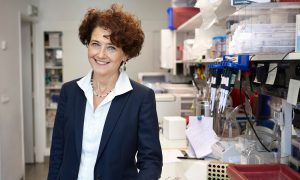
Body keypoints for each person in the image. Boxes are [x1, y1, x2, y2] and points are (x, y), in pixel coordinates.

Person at [48, 4, 163, 180]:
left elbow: (151, 162)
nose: (101, 54)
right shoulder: (70, 92)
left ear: (125, 54)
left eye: (111, 47)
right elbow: (58, 151)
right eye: (95, 44)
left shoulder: (141, 98)